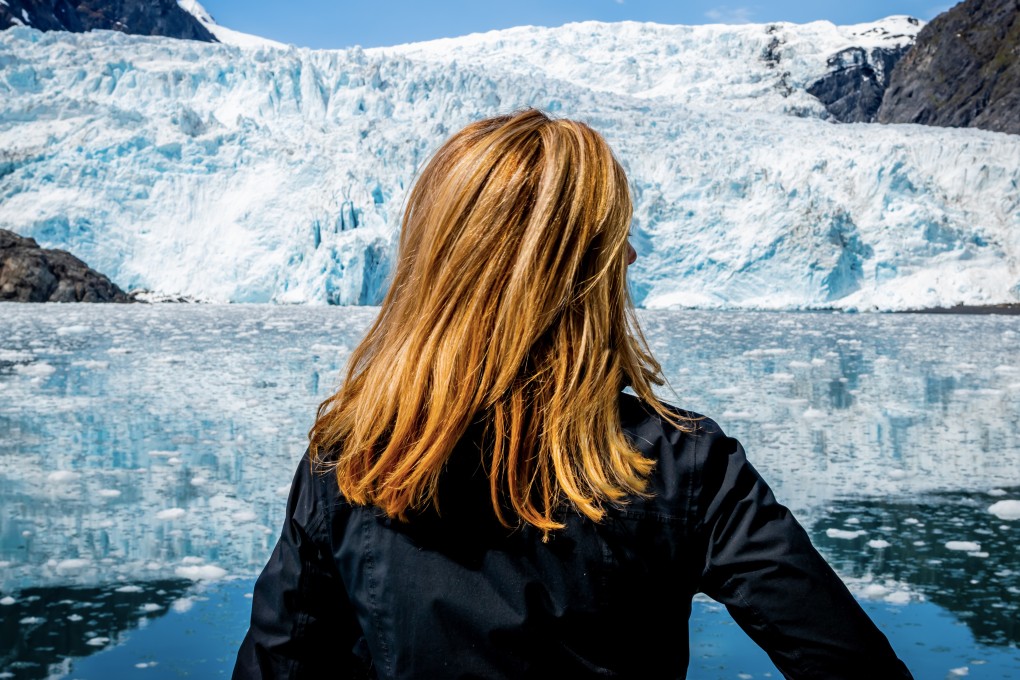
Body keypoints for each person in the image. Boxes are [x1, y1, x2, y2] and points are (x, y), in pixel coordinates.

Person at [233, 109, 913, 679]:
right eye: (617, 239)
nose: (632, 258)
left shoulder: (351, 462)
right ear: (578, 268)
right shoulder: (683, 465)